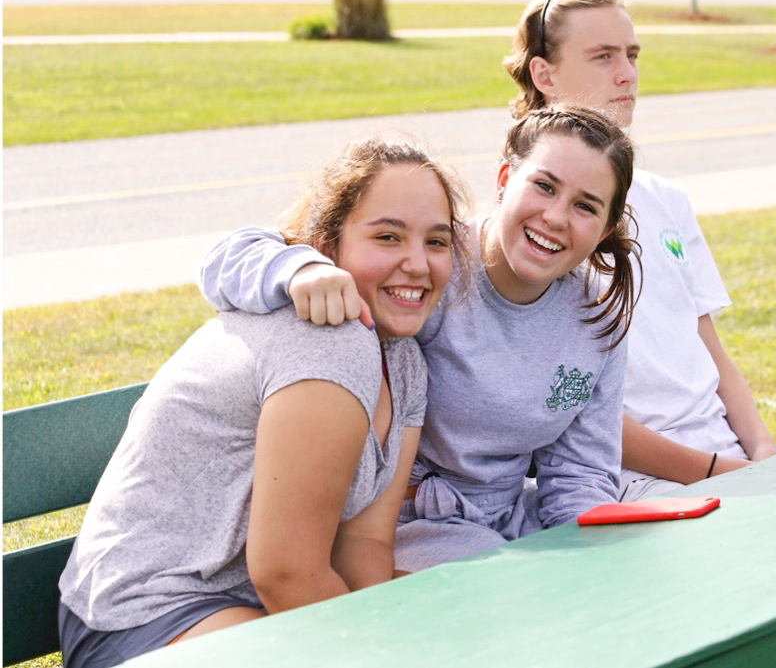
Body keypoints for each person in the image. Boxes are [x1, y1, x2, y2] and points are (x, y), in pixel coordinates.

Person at [57, 136, 465, 668]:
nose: (418, 264)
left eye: (436, 242)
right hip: (146, 612)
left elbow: (363, 543)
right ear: (325, 247)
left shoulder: (406, 364)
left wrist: (382, 634)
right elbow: (286, 572)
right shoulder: (327, 342)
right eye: (388, 237)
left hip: (247, 604)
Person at [197, 106, 640, 572]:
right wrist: (299, 269)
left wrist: (589, 559)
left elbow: (580, 472)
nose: (555, 216)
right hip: (401, 524)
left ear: (607, 227)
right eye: (544, 186)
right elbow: (227, 257)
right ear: (506, 178)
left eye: (585, 206)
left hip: (511, 518)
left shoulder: (597, 317)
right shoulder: (431, 261)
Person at [503, 0, 776, 500]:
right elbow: (578, 413)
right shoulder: (539, 226)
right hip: (636, 480)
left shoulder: (667, 199)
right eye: (603, 56)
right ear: (544, 74)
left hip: (728, 456)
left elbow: (708, 348)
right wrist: (724, 474)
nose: (627, 73)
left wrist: (763, 452)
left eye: (632, 54)